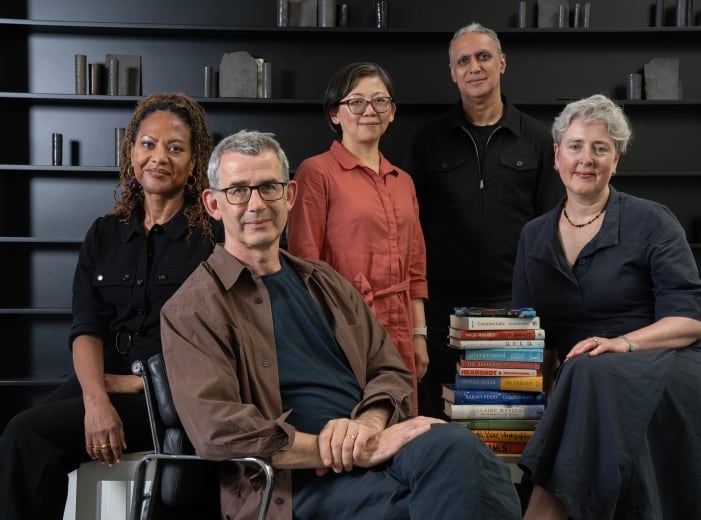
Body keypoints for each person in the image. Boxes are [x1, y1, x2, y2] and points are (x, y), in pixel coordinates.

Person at [160, 130, 523, 520]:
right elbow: (218, 430)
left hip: (379, 445)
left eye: (268, 187)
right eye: (238, 191)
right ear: (213, 203)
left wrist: (369, 425)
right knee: (439, 503)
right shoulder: (192, 309)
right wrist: (342, 449)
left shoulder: (325, 282)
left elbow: (390, 369)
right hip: (294, 480)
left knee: (461, 448)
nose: (256, 204)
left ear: (290, 196)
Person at [512, 94, 701, 519]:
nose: (586, 158)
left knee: (591, 369)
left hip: (678, 358)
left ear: (617, 158)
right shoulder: (533, 236)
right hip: (590, 372)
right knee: (587, 371)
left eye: (600, 148)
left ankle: (543, 512)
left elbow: (690, 320)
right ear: (556, 154)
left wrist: (622, 344)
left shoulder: (652, 220)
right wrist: (522, 401)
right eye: (575, 146)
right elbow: (533, 337)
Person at [0, 92, 219, 519]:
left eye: (175, 148)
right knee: (18, 439)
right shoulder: (104, 233)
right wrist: (98, 398)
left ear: (194, 161)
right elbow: (86, 328)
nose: (158, 157)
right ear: (131, 151)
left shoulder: (211, 240)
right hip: (103, 381)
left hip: (169, 396)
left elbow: (217, 341)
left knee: (30, 434)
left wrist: (134, 384)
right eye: (148, 144)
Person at [404, 21, 562, 419]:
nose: (474, 67)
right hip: (444, 310)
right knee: (446, 420)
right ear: (453, 73)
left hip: (514, 305)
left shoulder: (538, 139)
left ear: (502, 63)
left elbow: (549, 228)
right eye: (463, 60)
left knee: (506, 423)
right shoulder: (427, 141)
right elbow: (410, 226)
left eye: (483, 56)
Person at [287, 62, 428, 414]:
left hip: (400, 326)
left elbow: (416, 265)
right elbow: (305, 265)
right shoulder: (316, 172)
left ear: (392, 113)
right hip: (344, 325)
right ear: (335, 114)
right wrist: (323, 338)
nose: (370, 111)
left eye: (381, 102)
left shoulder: (403, 181)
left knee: (401, 428)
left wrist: (419, 334)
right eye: (357, 102)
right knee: (356, 426)